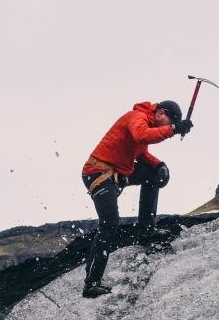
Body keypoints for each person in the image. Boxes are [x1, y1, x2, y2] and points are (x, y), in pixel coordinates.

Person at [80, 100, 193, 297]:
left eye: (170, 124)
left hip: (117, 174)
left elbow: (142, 153)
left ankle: (146, 230)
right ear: (160, 113)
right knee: (109, 224)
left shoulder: (146, 123)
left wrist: (160, 165)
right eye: (168, 121)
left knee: (153, 174)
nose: (167, 126)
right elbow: (142, 135)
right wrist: (174, 129)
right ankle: (91, 283)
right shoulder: (137, 118)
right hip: (98, 174)